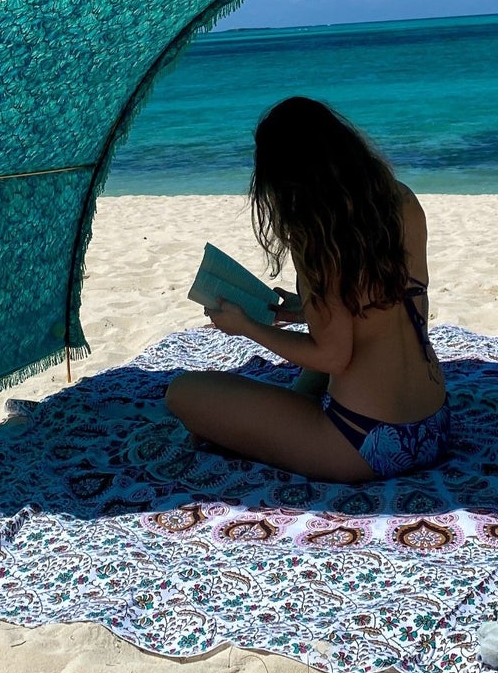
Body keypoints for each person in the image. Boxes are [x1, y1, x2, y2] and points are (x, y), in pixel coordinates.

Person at [166, 97, 450, 482]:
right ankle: (286, 417)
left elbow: (333, 357)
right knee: (309, 378)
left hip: (364, 442)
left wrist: (248, 326)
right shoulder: (400, 200)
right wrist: (303, 310)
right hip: (433, 424)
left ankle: (278, 425)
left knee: (183, 393)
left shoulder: (320, 239)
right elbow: (390, 300)